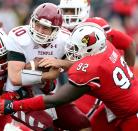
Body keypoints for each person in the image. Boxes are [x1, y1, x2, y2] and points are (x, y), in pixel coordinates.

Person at [0, 22, 138, 131]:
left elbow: (54, 100)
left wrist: (13, 106)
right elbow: (91, 64)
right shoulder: (106, 46)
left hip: (131, 114)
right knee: (88, 127)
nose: (72, 52)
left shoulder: (89, 69)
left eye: (76, 49)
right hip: (121, 103)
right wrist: (60, 62)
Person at [3, 3, 91, 131]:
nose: (39, 30)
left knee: (82, 124)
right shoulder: (19, 37)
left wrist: (59, 63)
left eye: (45, 28)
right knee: (47, 127)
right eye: (37, 24)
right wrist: (47, 74)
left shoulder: (65, 39)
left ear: (56, 30)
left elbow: (80, 64)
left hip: (46, 93)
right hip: (17, 96)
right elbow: (15, 77)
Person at [58, 1, 136, 129]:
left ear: (85, 10)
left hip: (99, 84)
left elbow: (128, 43)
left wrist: (129, 73)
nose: (68, 15)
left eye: (73, 10)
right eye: (65, 11)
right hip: (75, 79)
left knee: (83, 123)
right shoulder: (56, 29)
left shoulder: (95, 26)